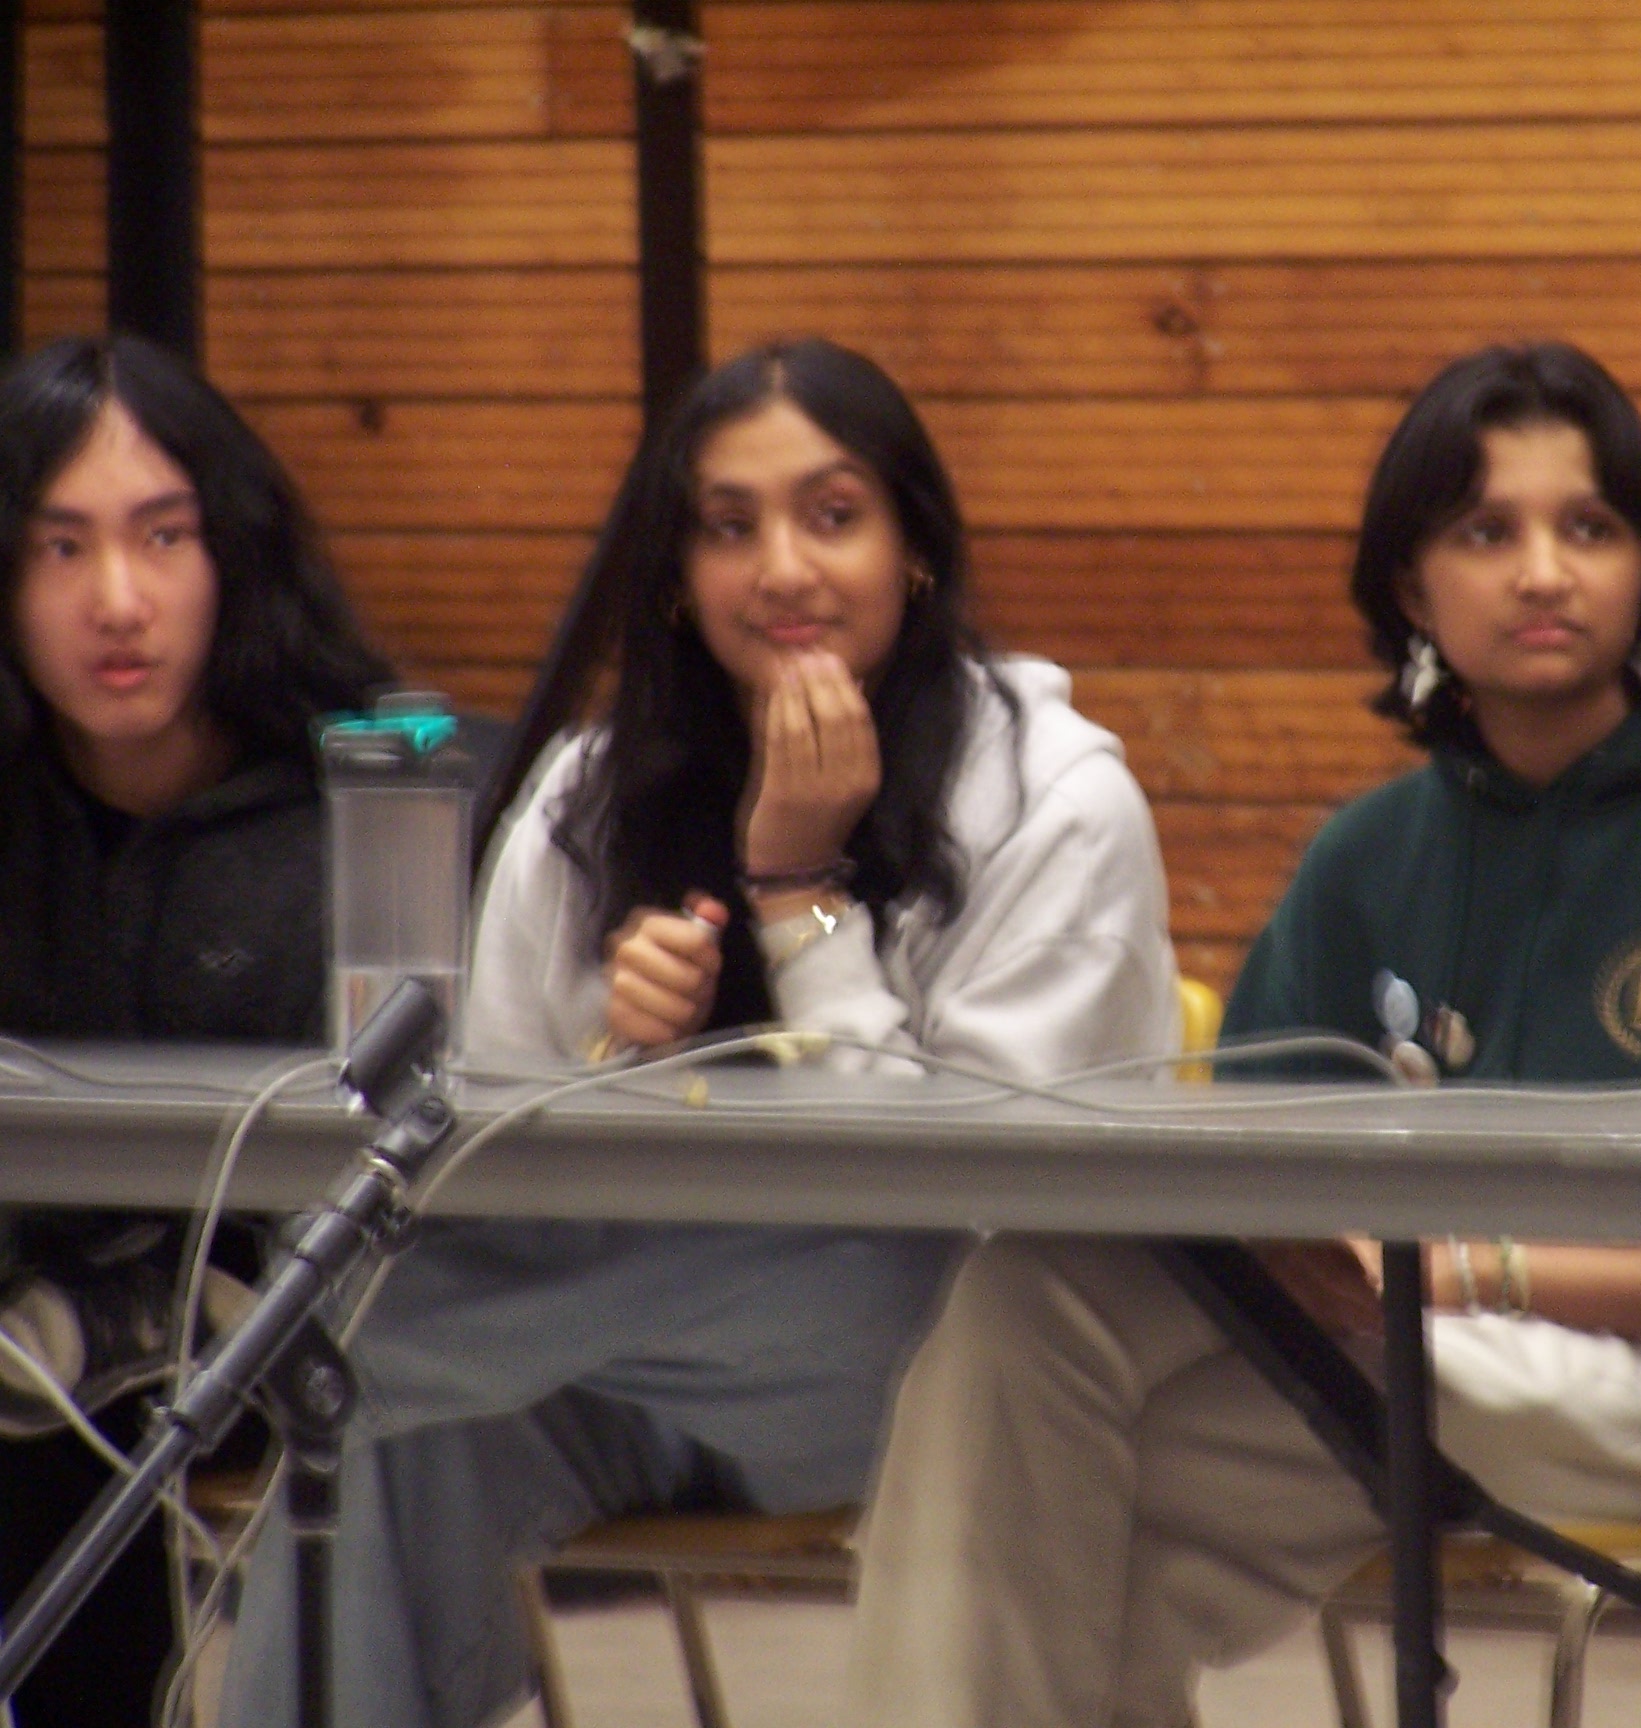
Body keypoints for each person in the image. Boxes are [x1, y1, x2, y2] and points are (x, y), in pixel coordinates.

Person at [842, 341, 1641, 1728]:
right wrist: (1293, 1241)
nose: (1544, 573)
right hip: (1424, 1354)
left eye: (1589, 528)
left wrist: (1469, 1270)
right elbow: (1244, 1169)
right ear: (1410, 586)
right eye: (1486, 532)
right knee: (1035, 1342)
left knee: (1065, 1493)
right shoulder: (1371, 853)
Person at [218, 337, 1179, 1728]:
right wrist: (612, 1064)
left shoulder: (1055, 797)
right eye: (730, 528)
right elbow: (490, 1166)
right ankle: (336, 1354)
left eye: (833, 516)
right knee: (380, 1437)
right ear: (675, 575)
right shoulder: (587, 794)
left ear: (915, 550)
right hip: (624, 1375)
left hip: (935, 1383)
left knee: (386, 1351)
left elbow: (974, 1200)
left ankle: (269, 1338)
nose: (783, 569)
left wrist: (801, 895)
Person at [0, 334, 393, 1726]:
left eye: (163, 537)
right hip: (31, 1334)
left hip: (276, 1351)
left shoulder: (360, 803)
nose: (119, 601)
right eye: (61, 548)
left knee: (63, 1434)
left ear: (231, 553)